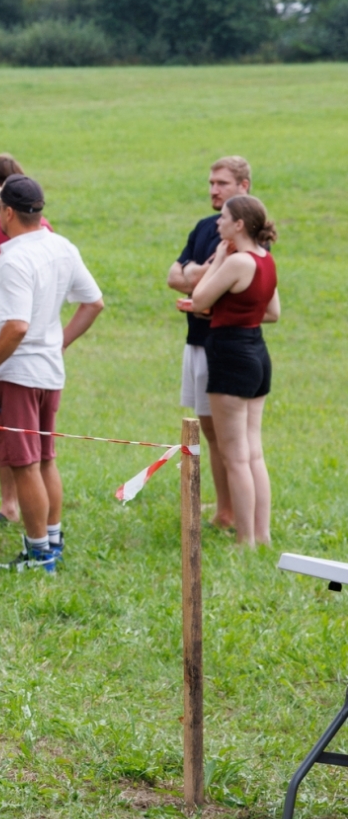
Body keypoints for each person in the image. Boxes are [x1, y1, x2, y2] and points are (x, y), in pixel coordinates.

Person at [0, 175, 105, 572]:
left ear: (8, 213)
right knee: (45, 459)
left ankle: (38, 553)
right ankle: (52, 540)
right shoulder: (62, 246)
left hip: (17, 375)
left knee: (24, 464)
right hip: (49, 371)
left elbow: (15, 326)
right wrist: (59, 342)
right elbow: (93, 303)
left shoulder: (14, 260)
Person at [182, 194, 279, 546]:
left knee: (235, 455)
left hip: (230, 355)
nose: (218, 223)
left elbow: (200, 300)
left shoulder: (238, 262)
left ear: (239, 224)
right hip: (257, 352)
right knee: (253, 451)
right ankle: (261, 535)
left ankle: (245, 541)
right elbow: (273, 312)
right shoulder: (265, 260)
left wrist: (220, 259)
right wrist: (239, 310)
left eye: (224, 218)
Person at [167, 156, 252, 531]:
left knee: (230, 436)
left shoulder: (244, 234)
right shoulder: (206, 227)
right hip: (195, 340)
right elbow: (174, 276)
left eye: (223, 183)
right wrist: (196, 276)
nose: (214, 190)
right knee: (208, 430)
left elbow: (206, 286)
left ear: (243, 187)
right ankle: (224, 508)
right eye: (211, 183)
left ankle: (235, 514)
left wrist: (195, 277)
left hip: (223, 343)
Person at [0, 154, 49, 522]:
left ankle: (38, 536)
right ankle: (11, 504)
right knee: (3, 435)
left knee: (30, 452)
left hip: (17, 354)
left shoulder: (36, 235)